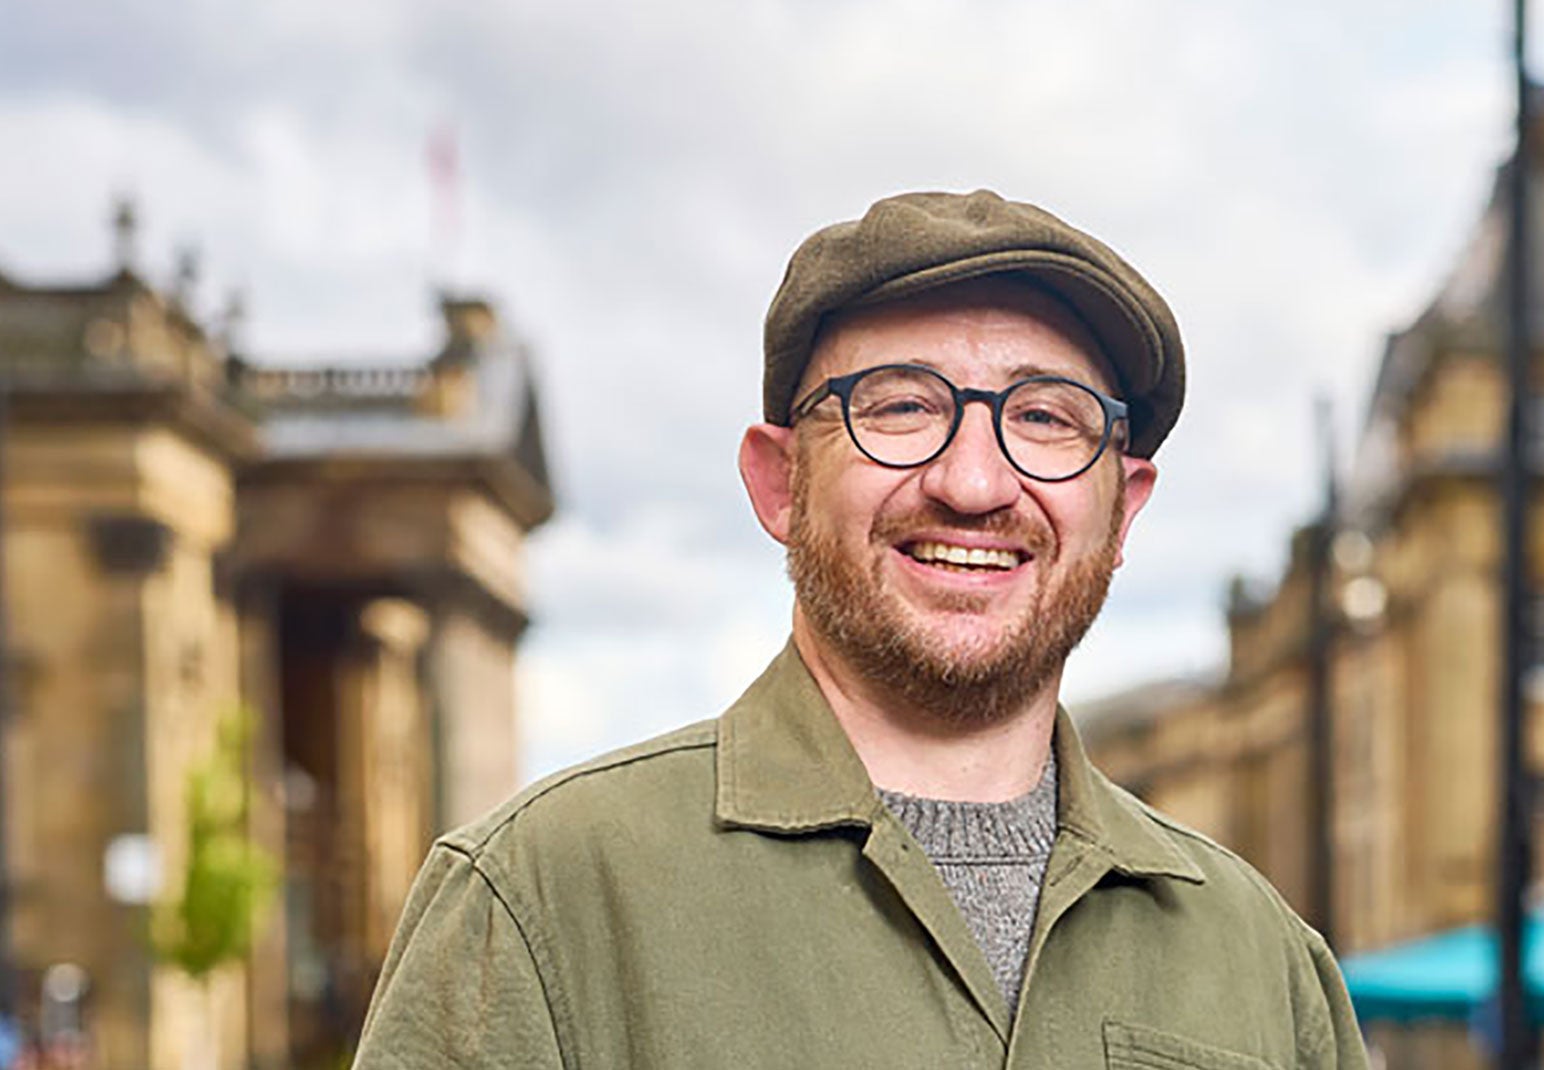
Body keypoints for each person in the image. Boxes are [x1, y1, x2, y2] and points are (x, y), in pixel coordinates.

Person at [352, 190, 1368, 1069]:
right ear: (777, 480)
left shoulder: (1263, 956)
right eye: (898, 406)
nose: (973, 482)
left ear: (1123, 504)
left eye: (1047, 418)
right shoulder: (539, 896)